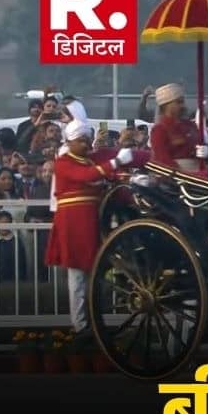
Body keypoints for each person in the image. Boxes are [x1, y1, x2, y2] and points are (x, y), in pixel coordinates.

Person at [46, 119, 134, 339]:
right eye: (81, 141)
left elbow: (101, 176)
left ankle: (94, 321)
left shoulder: (87, 161)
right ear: (70, 141)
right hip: (73, 226)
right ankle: (80, 324)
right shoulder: (63, 162)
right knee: (77, 278)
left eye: (87, 140)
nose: (86, 145)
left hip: (92, 223)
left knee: (95, 277)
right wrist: (114, 164)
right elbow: (86, 177)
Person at [149, 83, 208, 173]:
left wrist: (204, 152)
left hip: (200, 171)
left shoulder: (191, 125)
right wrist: (182, 175)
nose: (183, 106)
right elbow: (162, 160)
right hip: (178, 175)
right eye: (178, 102)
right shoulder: (159, 129)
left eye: (183, 102)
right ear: (167, 105)